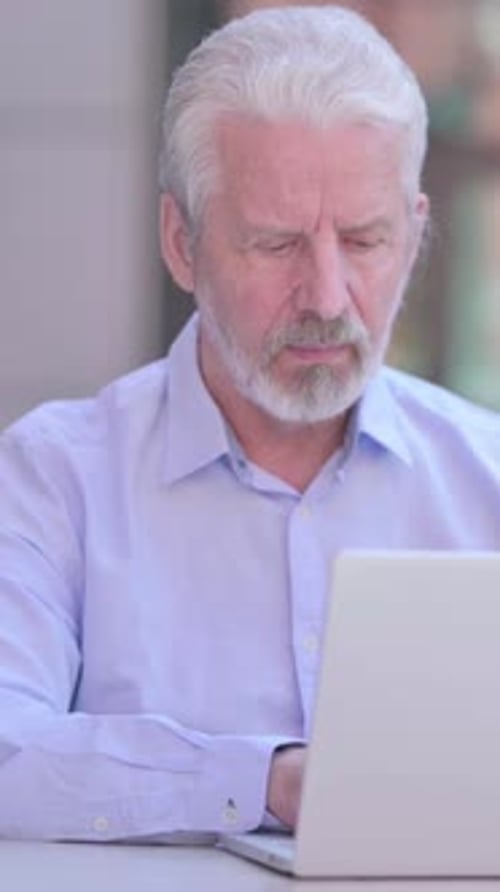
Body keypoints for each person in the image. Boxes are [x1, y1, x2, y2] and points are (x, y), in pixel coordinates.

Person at [0, 5, 499, 843]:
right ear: (181, 241)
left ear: (415, 236)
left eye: (367, 240)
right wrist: (266, 784)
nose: (329, 298)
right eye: (276, 245)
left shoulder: (487, 477)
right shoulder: (54, 479)